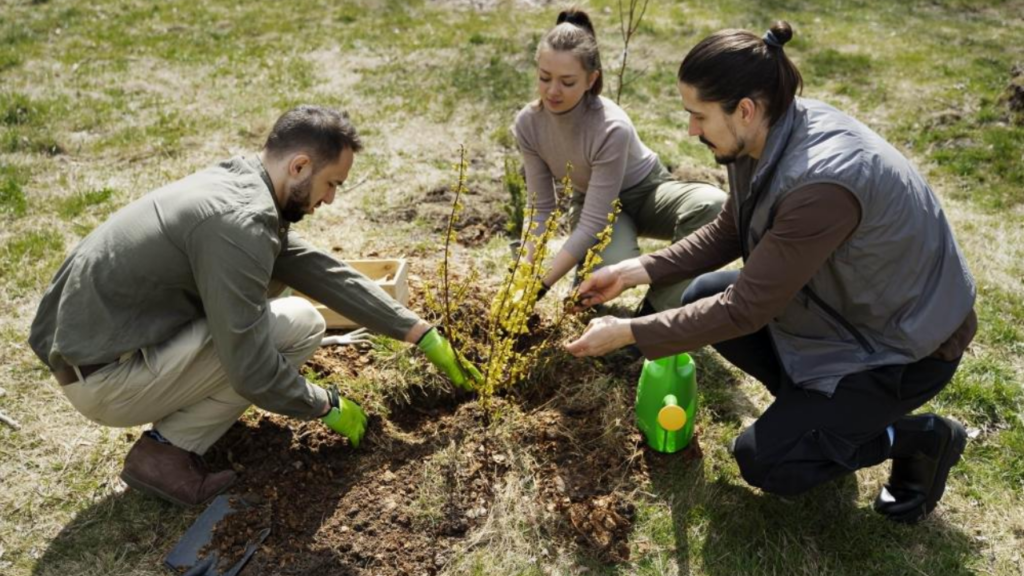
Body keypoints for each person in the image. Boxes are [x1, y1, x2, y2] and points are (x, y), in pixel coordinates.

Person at [565, 22, 977, 524]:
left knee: (767, 460)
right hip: (845, 317)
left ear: (744, 109)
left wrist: (630, 332)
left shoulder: (821, 183)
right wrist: (638, 269)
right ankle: (825, 424)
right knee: (702, 294)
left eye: (698, 116)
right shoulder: (763, 135)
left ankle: (918, 437)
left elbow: (748, 309)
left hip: (902, 347)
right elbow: (732, 230)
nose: (691, 130)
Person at [29, 105, 479, 507]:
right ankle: (165, 453)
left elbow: (314, 267)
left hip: (98, 352)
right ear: (300, 165)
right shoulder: (239, 222)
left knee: (294, 317)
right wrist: (326, 406)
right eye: (330, 184)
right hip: (105, 381)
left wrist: (418, 331)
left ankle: (183, 427)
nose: (331, 199)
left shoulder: (243, 182)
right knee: (289, 329)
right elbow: (251, 370)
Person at [512, 8, 726, 313]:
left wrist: (541, 286)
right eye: (545, 78)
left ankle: (653, 316)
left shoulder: (611, 126)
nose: (552, 91)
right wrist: (524, 276)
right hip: (594, 203)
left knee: (714, 205)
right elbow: (541, 209)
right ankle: (583, 308)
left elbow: (593, 224)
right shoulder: (528, 124)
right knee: (605, 273)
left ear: (591, 80)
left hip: (648, 193)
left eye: (567, 82)